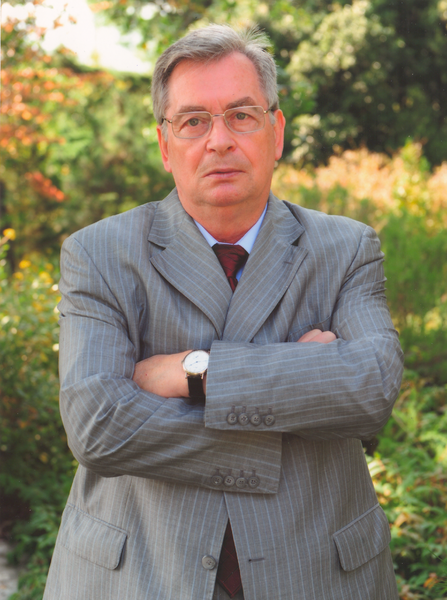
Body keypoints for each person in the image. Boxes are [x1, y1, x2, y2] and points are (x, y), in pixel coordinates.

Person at [43, 24, 403, 600]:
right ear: (165, 145)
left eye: (241, 115)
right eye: (193, 121)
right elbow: (98, 427)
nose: (219, 140)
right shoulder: (99, 254)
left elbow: (372, 385)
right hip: (142, 575)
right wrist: (296, 396)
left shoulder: (346, 248)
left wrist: (194, 372)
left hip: (315, 574)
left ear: (276, 131)